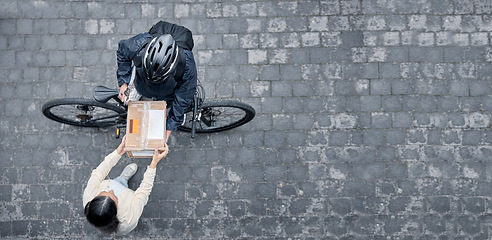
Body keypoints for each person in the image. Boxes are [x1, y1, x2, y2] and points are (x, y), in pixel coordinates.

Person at [116, 21, 197, 144]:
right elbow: (122, 52)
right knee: (128, 101)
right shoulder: (138, 44)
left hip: (167, 93)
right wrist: (124, 82)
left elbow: (183, 99)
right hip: (140, 85)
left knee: (176, 109)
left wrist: (170, 126)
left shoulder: (186, 66)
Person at [83, 135, 169, 235]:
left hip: (116, 192)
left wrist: (117, 153)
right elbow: (144, 191)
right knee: (118, 185)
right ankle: (122, 180)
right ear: (115, 212)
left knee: (118, 182)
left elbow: (98, 173)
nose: (111, 190)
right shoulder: (129, 220)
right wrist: (154, 163)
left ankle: (123, 178)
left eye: (104, 192)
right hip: (127, 198)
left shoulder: (88, 196)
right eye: (114, 197)